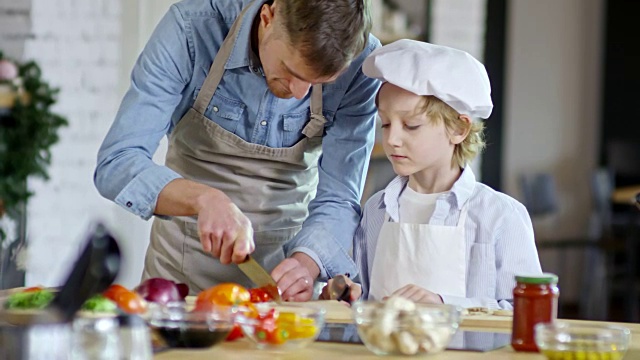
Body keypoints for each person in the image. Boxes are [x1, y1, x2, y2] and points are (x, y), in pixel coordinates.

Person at [94, 0, 381, 301]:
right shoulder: (192, 29)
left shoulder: (361, 66)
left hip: (283, 292)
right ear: (268, 18)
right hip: (180, 284)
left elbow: (339, 197)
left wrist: (305, 264)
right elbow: (118, 161)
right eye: (290, 71)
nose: (299, 93)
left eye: (318, 83)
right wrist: (204, 199)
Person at [322, 40, 542, 309]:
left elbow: (528, 312)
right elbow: (367, 299)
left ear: (459, 129)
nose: (392, 139)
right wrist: (349, 295)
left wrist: (443, 304)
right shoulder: (377, 210)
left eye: (411, 126)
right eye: (387, 123)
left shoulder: (500, 216)